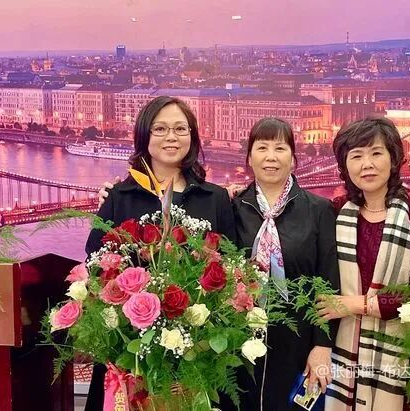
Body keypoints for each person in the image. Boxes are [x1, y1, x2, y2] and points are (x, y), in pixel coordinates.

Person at [83, 96, 236, 411]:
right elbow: (96, 265)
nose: (171, 137)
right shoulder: (119, 197)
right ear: (144, 135)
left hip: (196, 354)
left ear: (192, 136)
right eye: (161, 129)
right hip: (130, 352)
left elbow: (230, 268)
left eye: (180, 129)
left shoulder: (215, 198)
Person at [315, 116, 410, 411]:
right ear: (344, 166)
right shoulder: (335, 213)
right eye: (356, 156)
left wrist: (356, 304)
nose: (366, 164)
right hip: (343, 352)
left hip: (399, 360)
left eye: (376, 153)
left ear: (394, 159)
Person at [230, 117, 341, 410]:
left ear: (293, 158)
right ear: (249, 157)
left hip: (299, 339)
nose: (271, 157)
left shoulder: (319, 210)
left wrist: (322, 345)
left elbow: (328, 282)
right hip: (239, 342)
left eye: (280, 148)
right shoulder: (233, 208)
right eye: (262, 148)